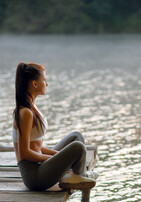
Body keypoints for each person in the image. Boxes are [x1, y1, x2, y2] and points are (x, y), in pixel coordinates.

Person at [12, 62, 96, 191]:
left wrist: (60, 157)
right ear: (35, 84)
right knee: (78, 147)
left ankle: (76, 175)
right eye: (44, 80)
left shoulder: (31, 108)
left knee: (76, 137)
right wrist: (54, 158)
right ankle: (76, 176)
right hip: (35, 177)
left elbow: (37, 147)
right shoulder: (25, 113)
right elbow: (24, 153)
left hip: (41, 166)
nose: (47, 84)